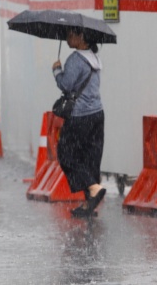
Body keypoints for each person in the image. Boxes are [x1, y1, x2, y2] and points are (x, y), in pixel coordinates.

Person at [52, 27, 106, 218]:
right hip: (97, 114)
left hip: (80, 116)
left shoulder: (76, 59)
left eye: (70, 34)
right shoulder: (94, 58)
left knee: (66, 154)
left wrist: (57, 71)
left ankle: (93, 187)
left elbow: (66, 85)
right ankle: (88, 205)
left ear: (81, 37)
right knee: (90, 158)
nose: (67, 37)